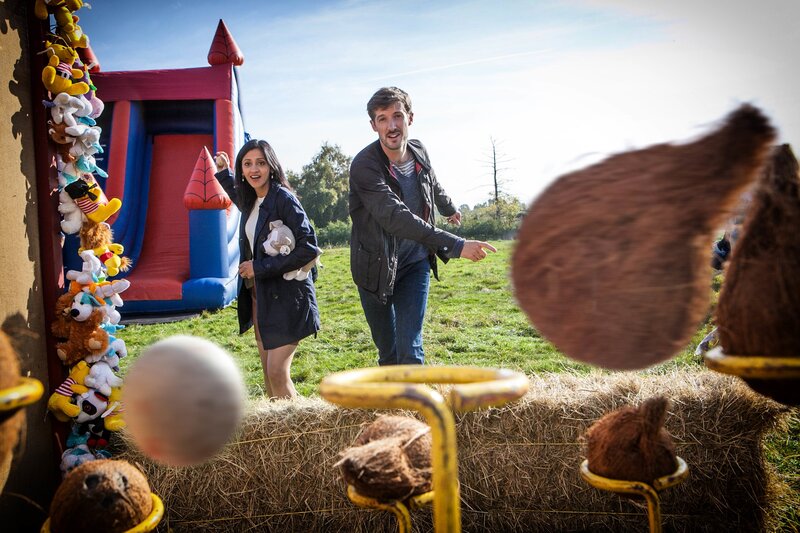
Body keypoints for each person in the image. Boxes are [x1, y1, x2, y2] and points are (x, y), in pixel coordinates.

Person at [349, 86, 496, 366]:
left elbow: (432, 182)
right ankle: (392, 407)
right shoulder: (364, 166)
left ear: (410, 118)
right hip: (375, 268)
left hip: (415, 264)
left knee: (410, 350)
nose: (392, 126)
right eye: (382, 118)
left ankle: (413, 411)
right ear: (373, 125)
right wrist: (456, 245)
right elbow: (394, 216)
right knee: (389, 354)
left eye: (397, 116)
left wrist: (448, 207)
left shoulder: (419, 150)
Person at [215, 139, 320, 398]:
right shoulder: (251, 200)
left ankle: (298, 435)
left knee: (276, 372)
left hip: (287, 298)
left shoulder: (283, 199)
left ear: (271, 166)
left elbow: (309, 247)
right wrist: (223, 172)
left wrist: (259, 267)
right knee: (267, 373)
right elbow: (237, 195)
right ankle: (278, 437)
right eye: (247, 164)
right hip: (260, 298)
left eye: (260, 163)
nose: (254, 170)